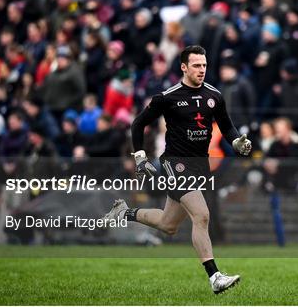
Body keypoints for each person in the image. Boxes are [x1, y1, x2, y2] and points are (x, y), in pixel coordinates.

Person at [103, 46, 251, 294]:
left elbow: (226, 126)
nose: (201, 70)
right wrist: (140, 157)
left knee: (167, 224)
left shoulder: (214, 95)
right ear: (184, 67)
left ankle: (124, 212)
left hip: (200, 165)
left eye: (204, 65)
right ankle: (214, 276)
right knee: (201, 215)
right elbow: (138, 123)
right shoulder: (168, 97)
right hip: (175, 163)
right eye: (196, 65)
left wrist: (236, 141)